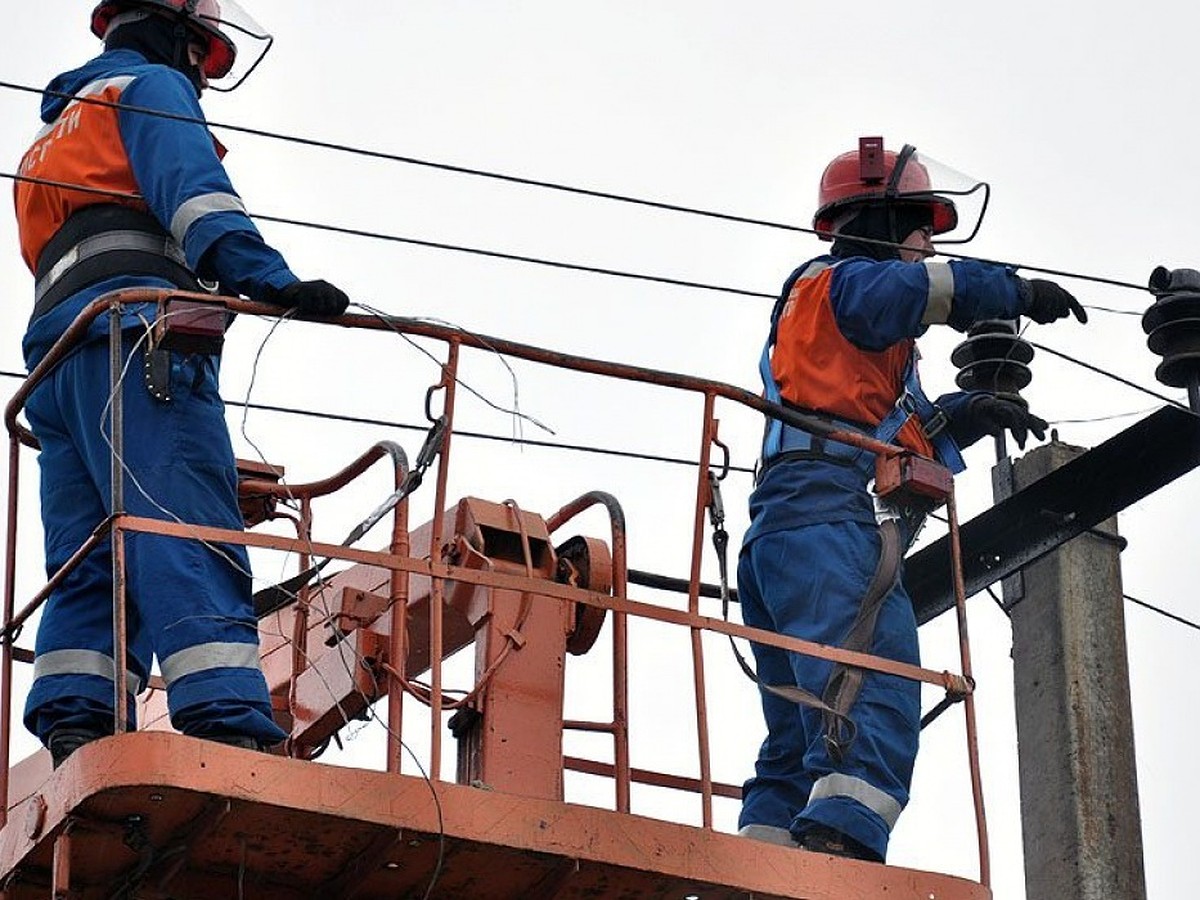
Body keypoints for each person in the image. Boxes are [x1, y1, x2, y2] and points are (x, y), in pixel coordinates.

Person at [12, 0, 350, 767]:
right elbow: (195, 196)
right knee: (181, 525)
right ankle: (226, 722)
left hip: (61, 363)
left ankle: (78, 722)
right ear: (178, 36)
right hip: (138, 342)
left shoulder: (52, 135)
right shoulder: (151, 91)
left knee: (92, 550)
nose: (200, 74)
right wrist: (274, 282)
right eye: (203, 55)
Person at [736, 138, 1087, 862]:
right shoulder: (847, 286)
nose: (928, 242)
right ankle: (840, 852)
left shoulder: (847, 334)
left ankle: (761, 863)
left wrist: (967, 413)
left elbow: (896, 428)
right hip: (830, 525)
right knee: (877, 690)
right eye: (921, 224)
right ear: (880, 218)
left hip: (784, 533)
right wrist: (1015, 292)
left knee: (803, 727)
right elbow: (922, 289)